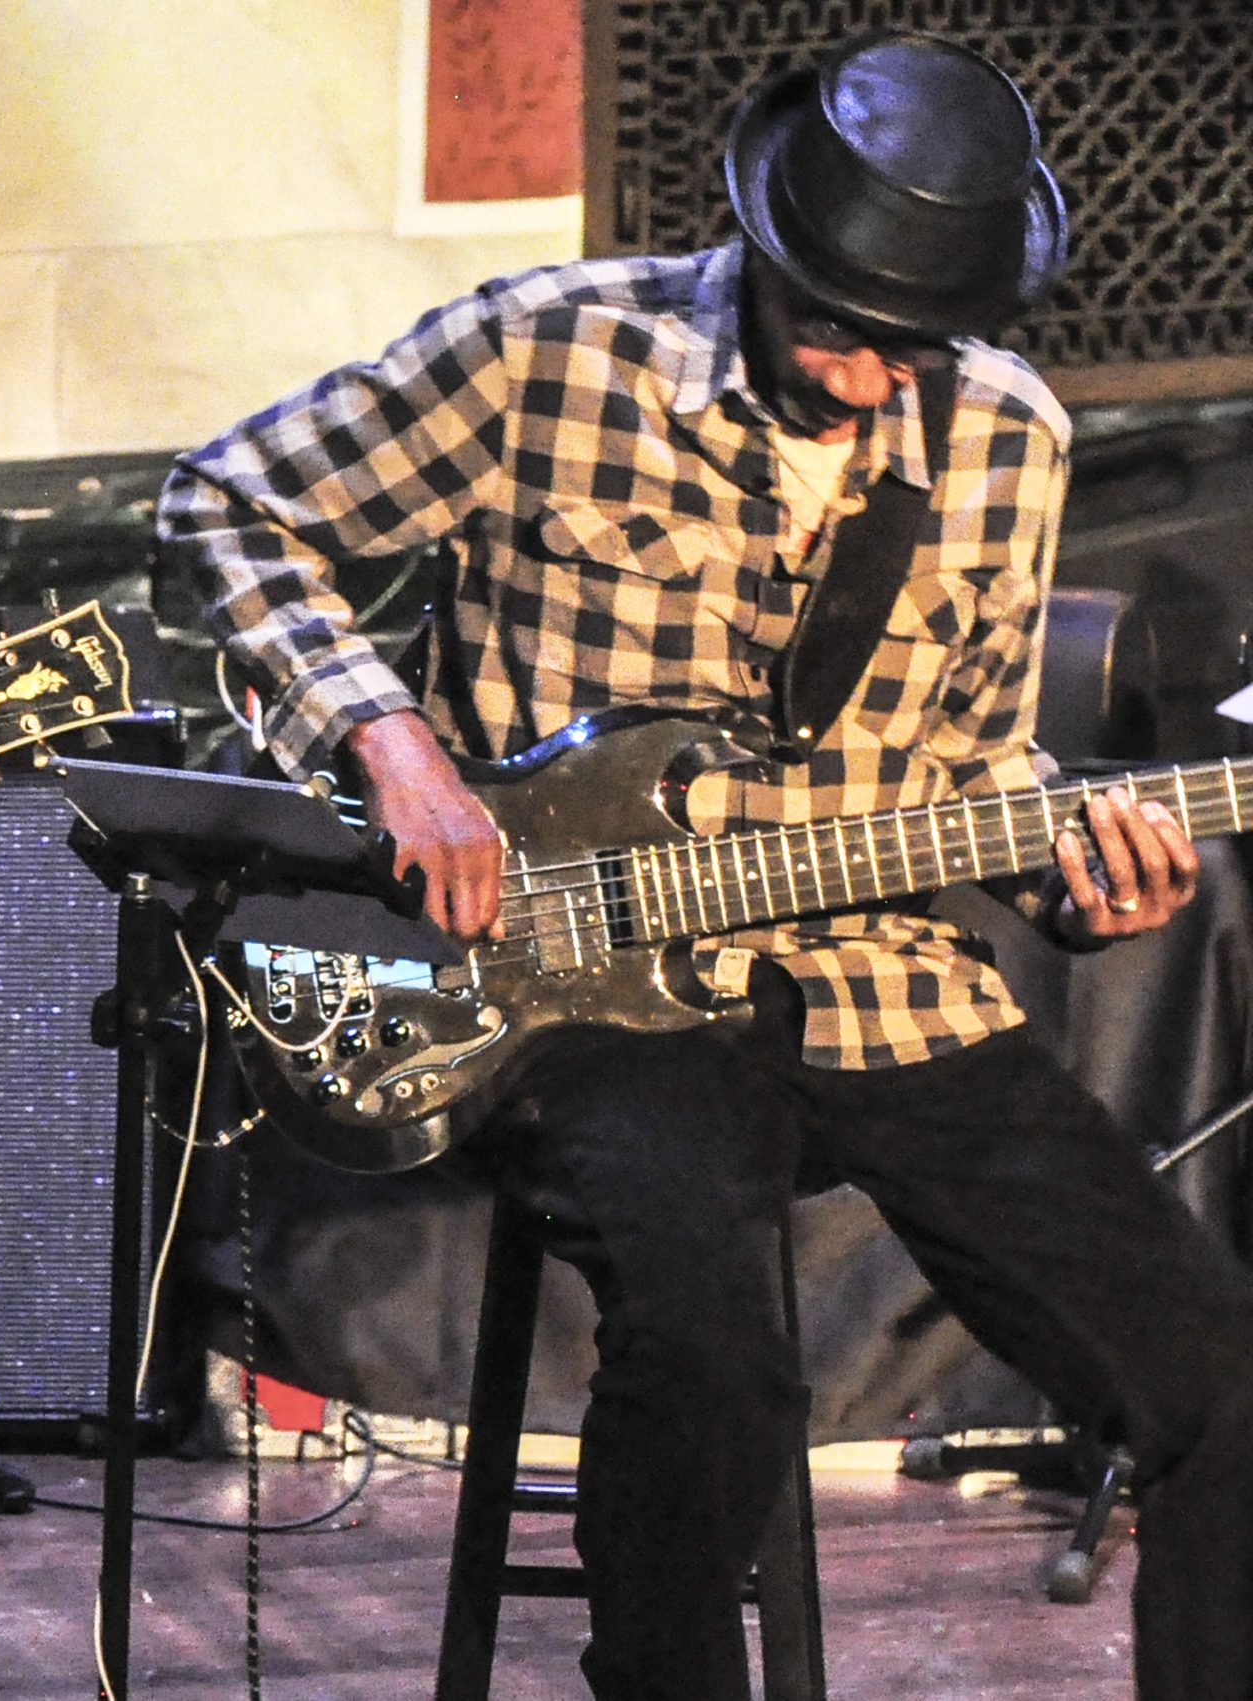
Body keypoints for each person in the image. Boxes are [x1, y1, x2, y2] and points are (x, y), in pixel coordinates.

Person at [159, 29, 1253, 1701]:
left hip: (885, 983)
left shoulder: (1009, 438)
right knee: (720, 1369)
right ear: (764, 244)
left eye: (912, 346)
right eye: (835, 324)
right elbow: (228, 505)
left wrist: (1082, 875)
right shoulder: (548, 352)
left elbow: (972, 765)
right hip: (591, 988)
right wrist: (394, 748)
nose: (866, 373)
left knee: (1218, 1375)